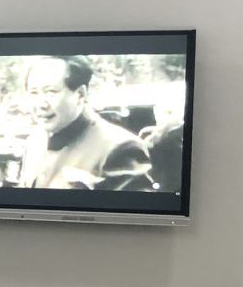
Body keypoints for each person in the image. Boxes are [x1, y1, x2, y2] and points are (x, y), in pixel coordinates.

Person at [21, 55, 153, 190]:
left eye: (51, 92)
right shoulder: (35, 142)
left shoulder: (120, 148)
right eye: (33, 93)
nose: (41, 104)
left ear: (80, 94)